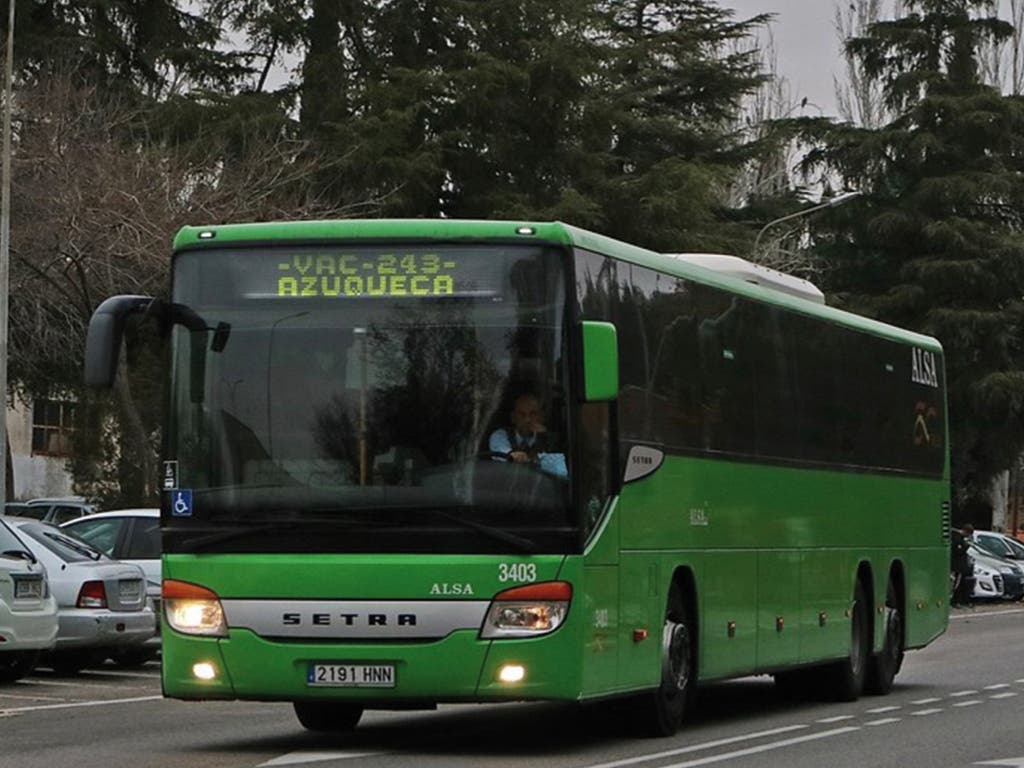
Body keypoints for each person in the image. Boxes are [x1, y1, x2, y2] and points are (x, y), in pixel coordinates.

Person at [489, 392, 567, 479]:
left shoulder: (551, 440)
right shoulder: (500, 436)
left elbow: (561, 471)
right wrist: (515, 456)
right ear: (513, 417)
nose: (527, 419)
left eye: (533, 414)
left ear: (542, 416)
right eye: (521, 414)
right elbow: (502, 455)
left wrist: (545, 437)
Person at [951, 524, 974, 608]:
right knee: (956, 584)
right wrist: (966, 546)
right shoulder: (957, 538)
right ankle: (954, 601)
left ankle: (957, 600)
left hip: (960, 567)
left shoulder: (961, 539)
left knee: (959, 584)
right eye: (968, 534)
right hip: (957, 566)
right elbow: (958, 551)